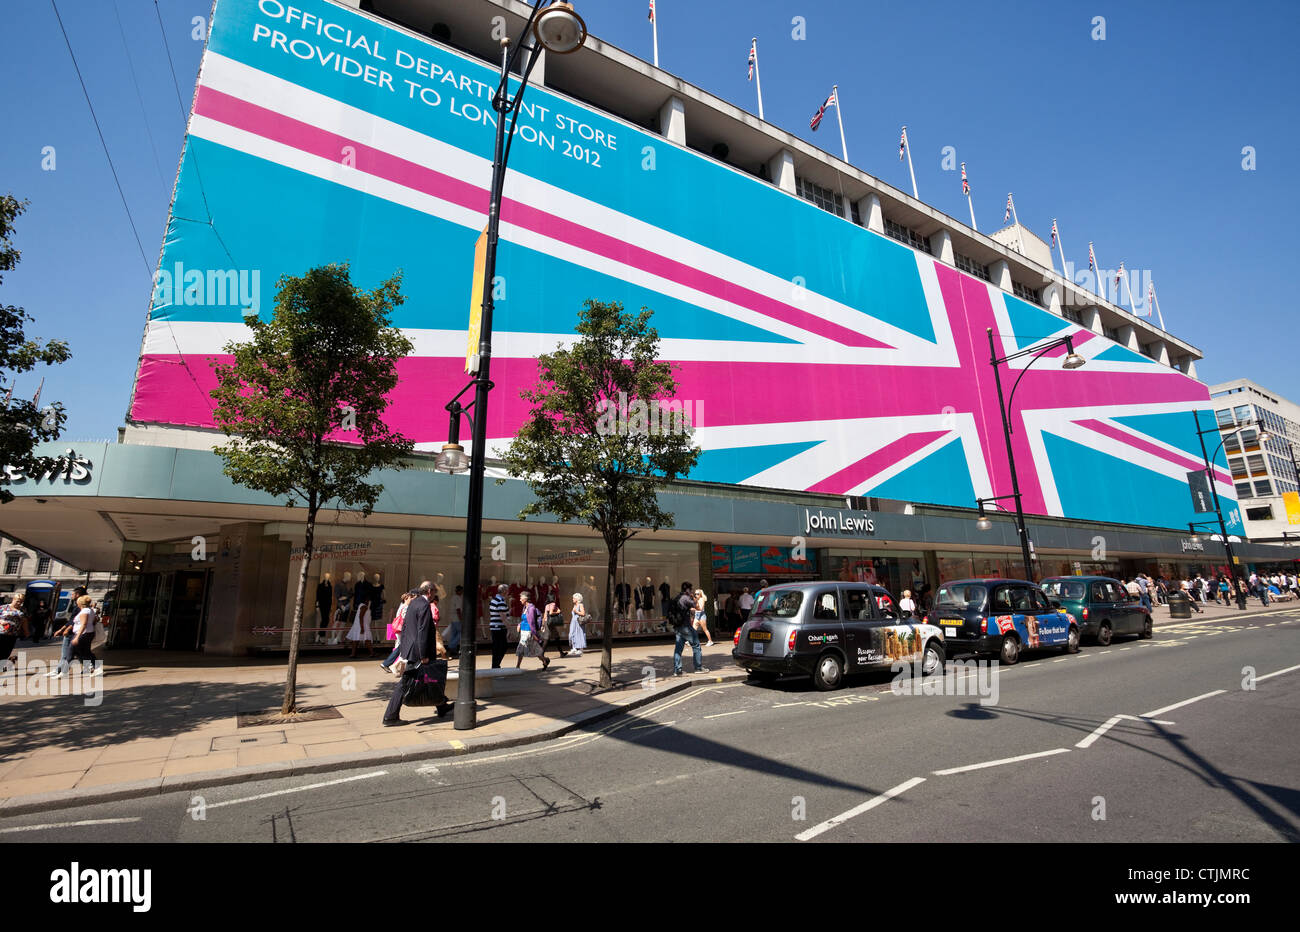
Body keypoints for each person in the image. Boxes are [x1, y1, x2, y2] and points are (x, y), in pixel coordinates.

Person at [382, 581, 452, 726]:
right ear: (430, 591)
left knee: (431, 677)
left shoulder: (413, 603)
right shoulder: (424, 605)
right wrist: (423, 655)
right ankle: (390, 716)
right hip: (419, 651)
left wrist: (406, 648)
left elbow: (407, 627)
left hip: (412, 649)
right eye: (434, 592)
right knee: (405, 683)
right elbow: (423, 631)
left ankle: (442, 705)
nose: (435, 595)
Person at [672, 585, 706, 676]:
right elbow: (698, 607)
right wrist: (693, 598)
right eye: (691, 590)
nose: (692, 591)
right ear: (687, 590)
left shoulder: (677, 598)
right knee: (696, 646)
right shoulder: (686, 598)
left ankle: (677, 670)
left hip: (678, 626)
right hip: (686, 627)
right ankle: (698, 668)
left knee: (678, 649)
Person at [381, 590, 415, 673]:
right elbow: (405, 619)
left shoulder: (403, 606)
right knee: (401, 647)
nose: (412, 599)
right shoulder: (405, 607)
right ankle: (389, 664)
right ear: (406, 599)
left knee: (400, 647)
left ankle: (393, 665)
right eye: (411, 597)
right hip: (402, 630)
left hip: (400, 630)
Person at [515, 591, 551, 670]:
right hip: (524, 631)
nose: (520, 599)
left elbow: (531, 622)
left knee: (530, 649)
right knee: (526, 649)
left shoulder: (531, 608)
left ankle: (544, 660)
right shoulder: (525, 608)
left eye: (521, 598)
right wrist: (519, 625)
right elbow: (524, 620)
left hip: (529, 632)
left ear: (526, 598)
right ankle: (545, 660)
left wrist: (534, 634)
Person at [69, 595, 101, 676]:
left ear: (80, 603)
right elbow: (94, 621)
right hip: (88, 632)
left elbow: (83, 624)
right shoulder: (90, 610)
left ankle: (63, 670)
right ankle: (95, 667)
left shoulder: (85, 611)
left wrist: (77, 637)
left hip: (84, 633)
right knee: (86, 652)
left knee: (75, 650)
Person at [0, 593, 24, 670]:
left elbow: (24, 622)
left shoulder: (22, 610)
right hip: (1, 633)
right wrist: (1, 621)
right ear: (13, 599)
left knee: (6, 653)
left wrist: (25, 632)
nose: (19, 603)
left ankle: (6, 662)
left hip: (13, 635)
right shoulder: (3, 607)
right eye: (18, 601)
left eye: (21, 601)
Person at [489, 583, 510, 669]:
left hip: (495, 626)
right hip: (499, 627)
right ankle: (496, 665)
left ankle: (495, 665)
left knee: (497, 647)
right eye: (507, 590)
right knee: (502, 647)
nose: (508, 592)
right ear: (504, 591)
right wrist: (509, 628)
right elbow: (503, 616)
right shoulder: (500, 601)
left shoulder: (495, 600)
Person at [568, 593, 588, 658]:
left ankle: (580, 649)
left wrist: (576, 612)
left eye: (574, 598)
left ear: (577, 599)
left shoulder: (580, 605)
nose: (572, 599)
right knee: (572, 634)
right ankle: (574, 648)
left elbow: (583, 613)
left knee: (579, 634)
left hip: (578, 622)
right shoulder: (574, 605)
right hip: (573, 622)